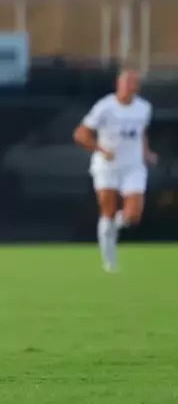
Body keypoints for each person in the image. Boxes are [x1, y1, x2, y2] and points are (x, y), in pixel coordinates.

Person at [74, 68, 156, 272]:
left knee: (133, 214)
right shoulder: (105, 107)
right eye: (126, 82)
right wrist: (100, 149)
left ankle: (112, 228)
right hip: (107, 166)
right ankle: (109, 261)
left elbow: (141, 133)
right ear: (118, 85)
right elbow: (81, 134)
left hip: (133, 166)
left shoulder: (144, 108)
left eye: (133, 82)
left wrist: (147, 153)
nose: (129, 86)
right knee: (107, 210)